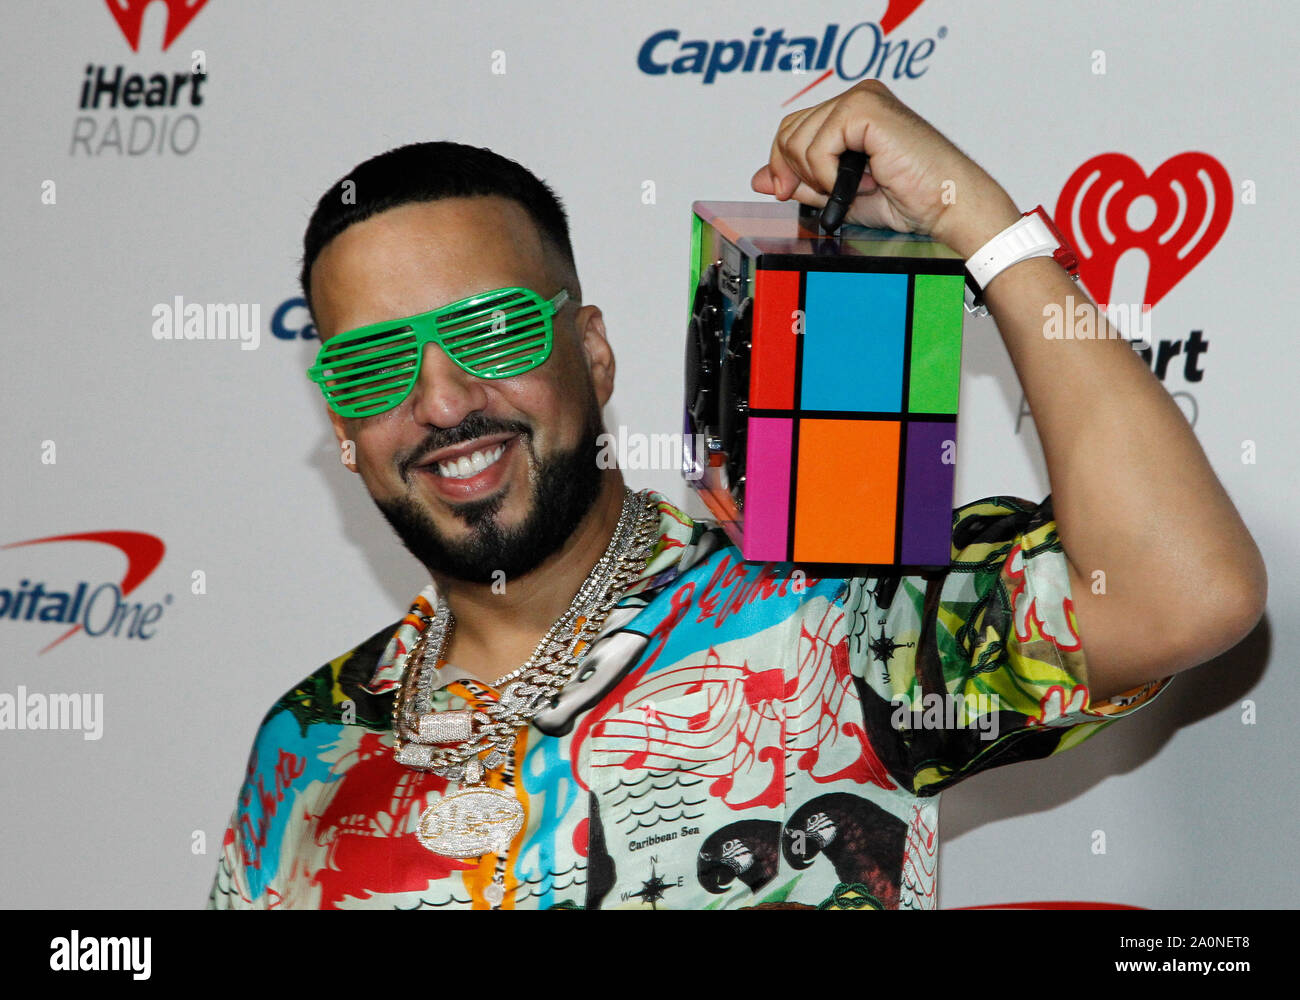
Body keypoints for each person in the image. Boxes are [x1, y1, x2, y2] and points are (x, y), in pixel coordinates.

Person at [208, 81, 1266, 910]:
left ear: (593, 352)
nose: (442, 400)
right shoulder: (304, 742)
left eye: (494, 333)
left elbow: (1183, 591)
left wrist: (975, 221)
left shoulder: (820, 617)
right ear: (342, 428)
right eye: (373, 367)